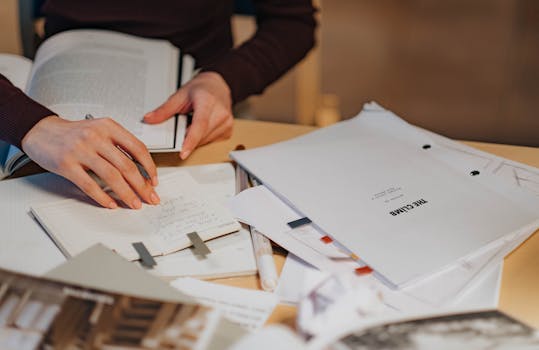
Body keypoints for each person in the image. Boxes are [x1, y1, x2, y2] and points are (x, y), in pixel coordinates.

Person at [0, 0, 317, 209]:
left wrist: (225, 80)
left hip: (201, 99)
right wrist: (28, 122)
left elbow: (293, 22)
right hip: (52, 98)